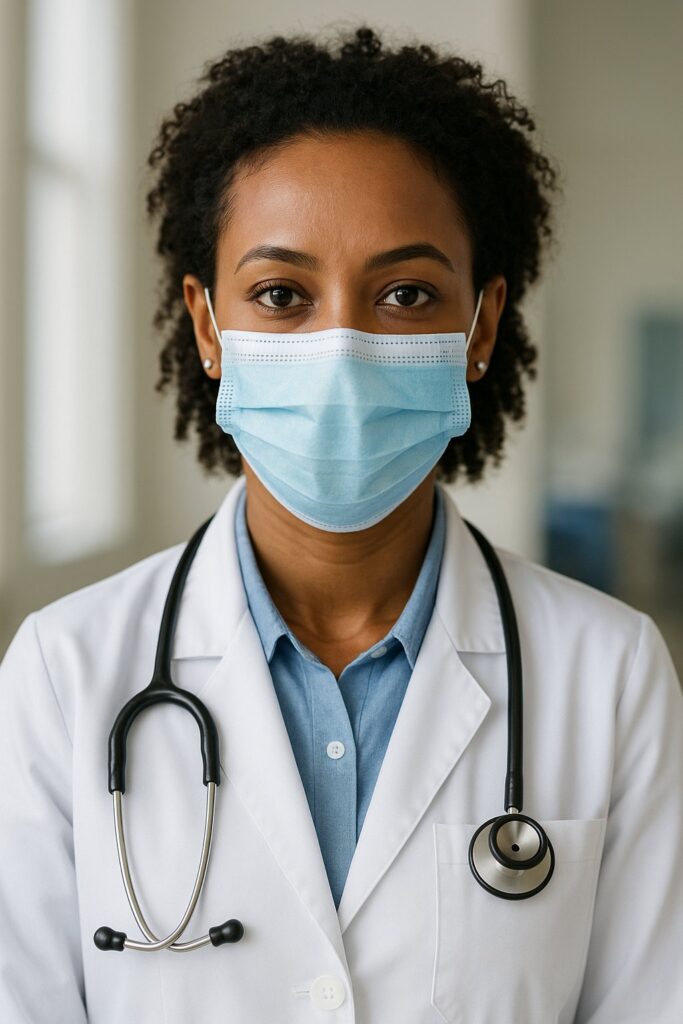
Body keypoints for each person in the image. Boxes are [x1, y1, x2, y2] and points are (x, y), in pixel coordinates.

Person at [1, 23, 681, 1024]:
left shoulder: (608, 671)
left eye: (404, 294)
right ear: (207, 327)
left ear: (478, 327)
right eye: (280, 295)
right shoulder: (62, 674)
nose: (341, 347)